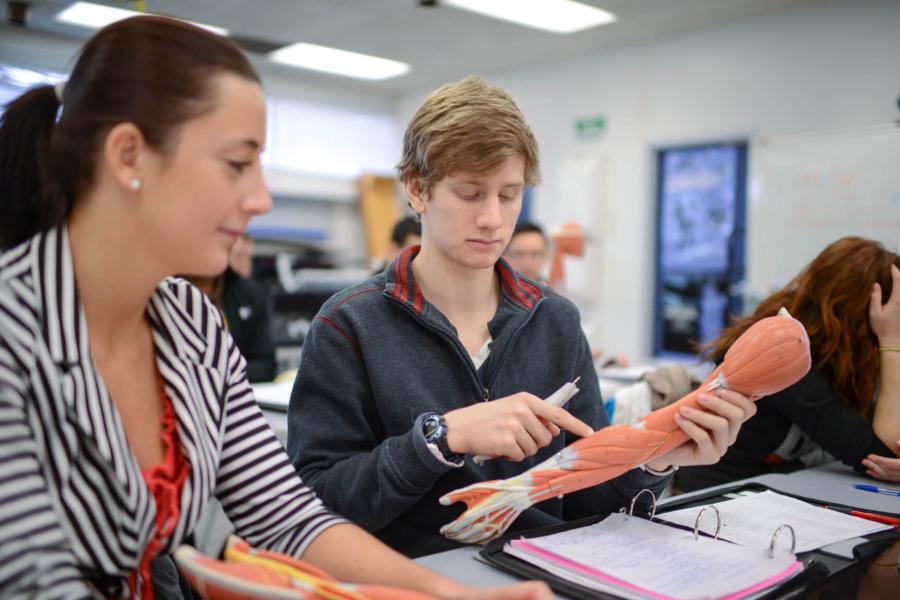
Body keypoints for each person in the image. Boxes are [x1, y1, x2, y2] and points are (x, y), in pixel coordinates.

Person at [0, 17, 551, 599]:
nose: (260, 198)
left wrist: (457, 596)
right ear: (129, 155)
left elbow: (288, 516)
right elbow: (38, 584)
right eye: (239, 164)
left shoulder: (191, 323)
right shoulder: (14, 333)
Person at [287, 75, 756, 558]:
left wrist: (655, 462)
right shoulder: (349, 324)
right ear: (417, 190)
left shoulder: (555, 320)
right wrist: (441, 440)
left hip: (540, 575)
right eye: (470, 194)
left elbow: (588, 503)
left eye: (509, 195)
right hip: (419, 583)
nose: (493, 218)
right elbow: (313, 504)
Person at [675, 237, 900, 492]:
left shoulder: (832, 356)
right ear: (861, 315)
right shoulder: (782, 353)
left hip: (770, 490)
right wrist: (891, 341)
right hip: (714, 499)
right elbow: (881, 456)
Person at [186, 263, 277, 383]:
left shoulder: (248, 293)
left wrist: (223, 374)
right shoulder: (169, 291)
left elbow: (266, 365)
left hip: (239, 392)